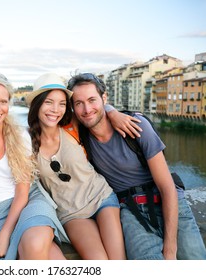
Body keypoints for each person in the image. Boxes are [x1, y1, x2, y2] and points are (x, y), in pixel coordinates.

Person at [68, 72, 206, 260]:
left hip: (167, 202)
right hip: (131, 210)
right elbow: (49, 119)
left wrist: (170, 248)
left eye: (92, 100)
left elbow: (167, 187)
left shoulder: (136, 126)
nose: (87, 109)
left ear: (104, 98)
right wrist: (111, 110)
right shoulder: (79, 135)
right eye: (79, 103)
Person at [0, 73, 68, 260]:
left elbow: (22, 191)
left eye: (3, 101)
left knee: (35, 244)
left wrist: (5, 235)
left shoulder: (20, 136)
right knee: (45, 253)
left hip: (29, 201)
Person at [27, 73, 126, 260]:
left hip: (101, 197)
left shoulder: (71, 125)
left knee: (118, 261)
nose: (55, 110)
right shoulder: (26, 141)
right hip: (71, 213)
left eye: (62, 104)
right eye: (49, 102)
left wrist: (113, 112)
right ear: (37, 104)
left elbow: (95, 109)